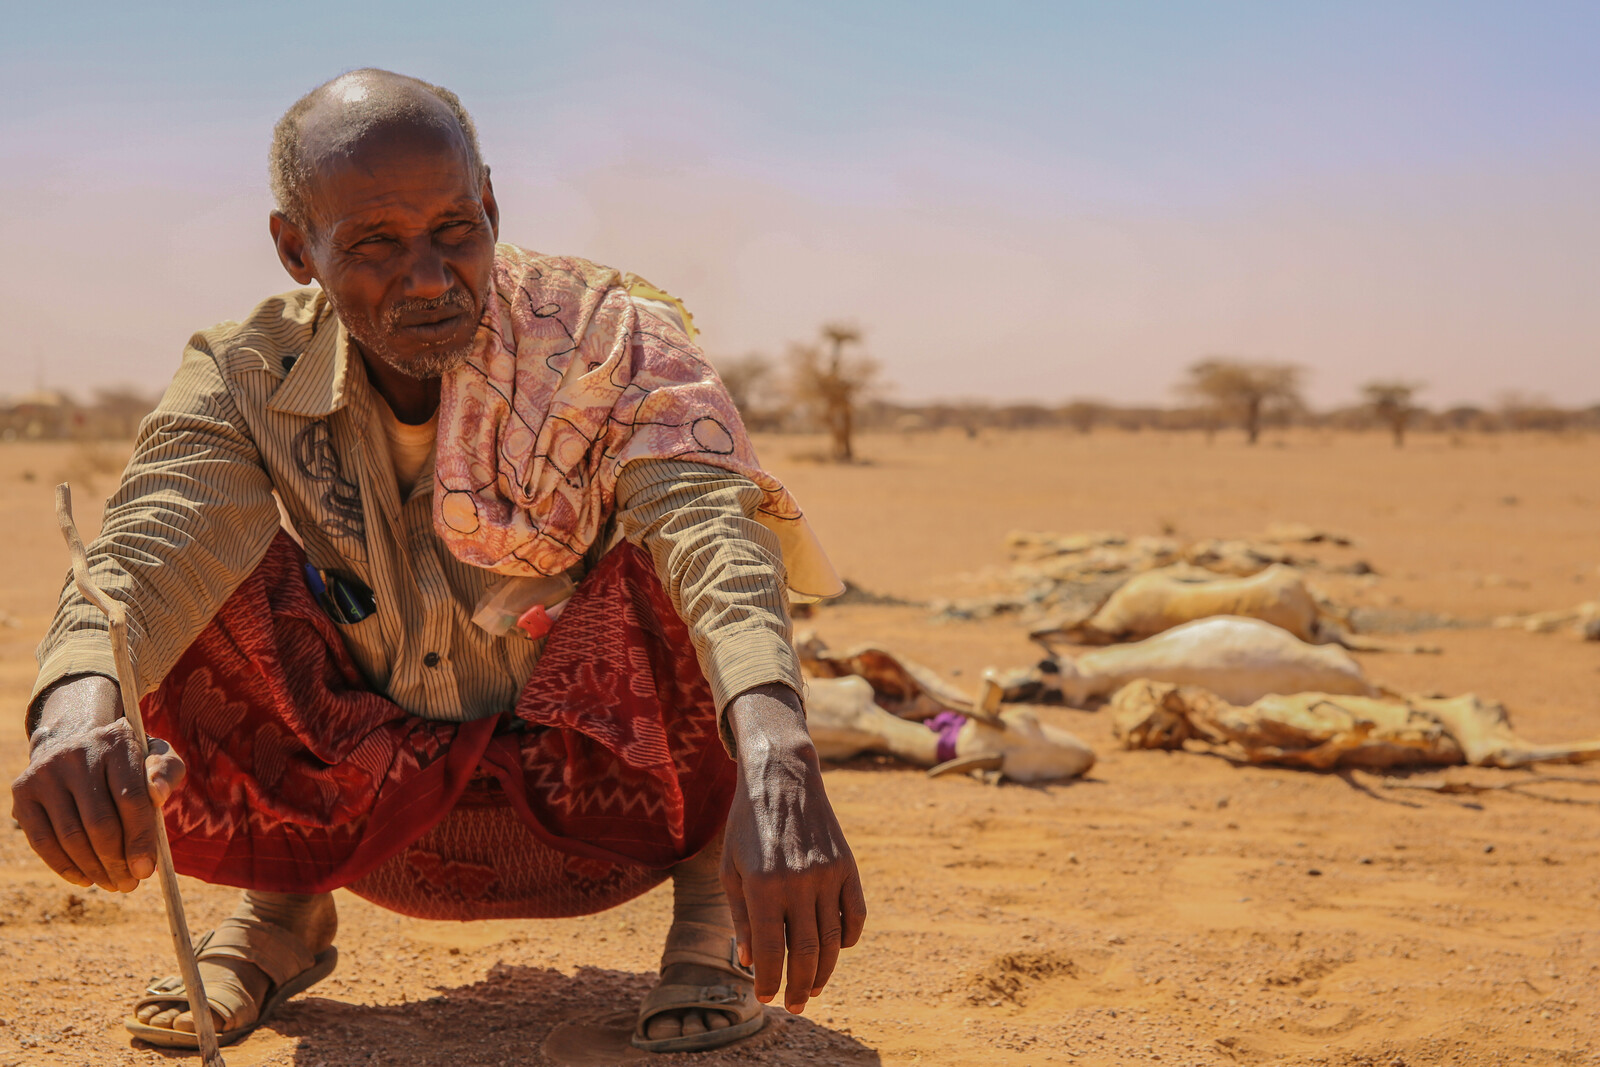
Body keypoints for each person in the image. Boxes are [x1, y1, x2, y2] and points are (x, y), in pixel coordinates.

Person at [10, 68, 865, 1055]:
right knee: (205, 578)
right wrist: (76, 706)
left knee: (686, 565)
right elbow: (153, 535)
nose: (427, 277)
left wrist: (778, 748)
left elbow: (712, 524)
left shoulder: (606, 338)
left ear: (491, 204)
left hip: (592, 770)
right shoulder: (248, 369)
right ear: (298, 249)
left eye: (456, 229)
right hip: (365, 780)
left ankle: (712, 912)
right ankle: (281, 913)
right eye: (374, 243)